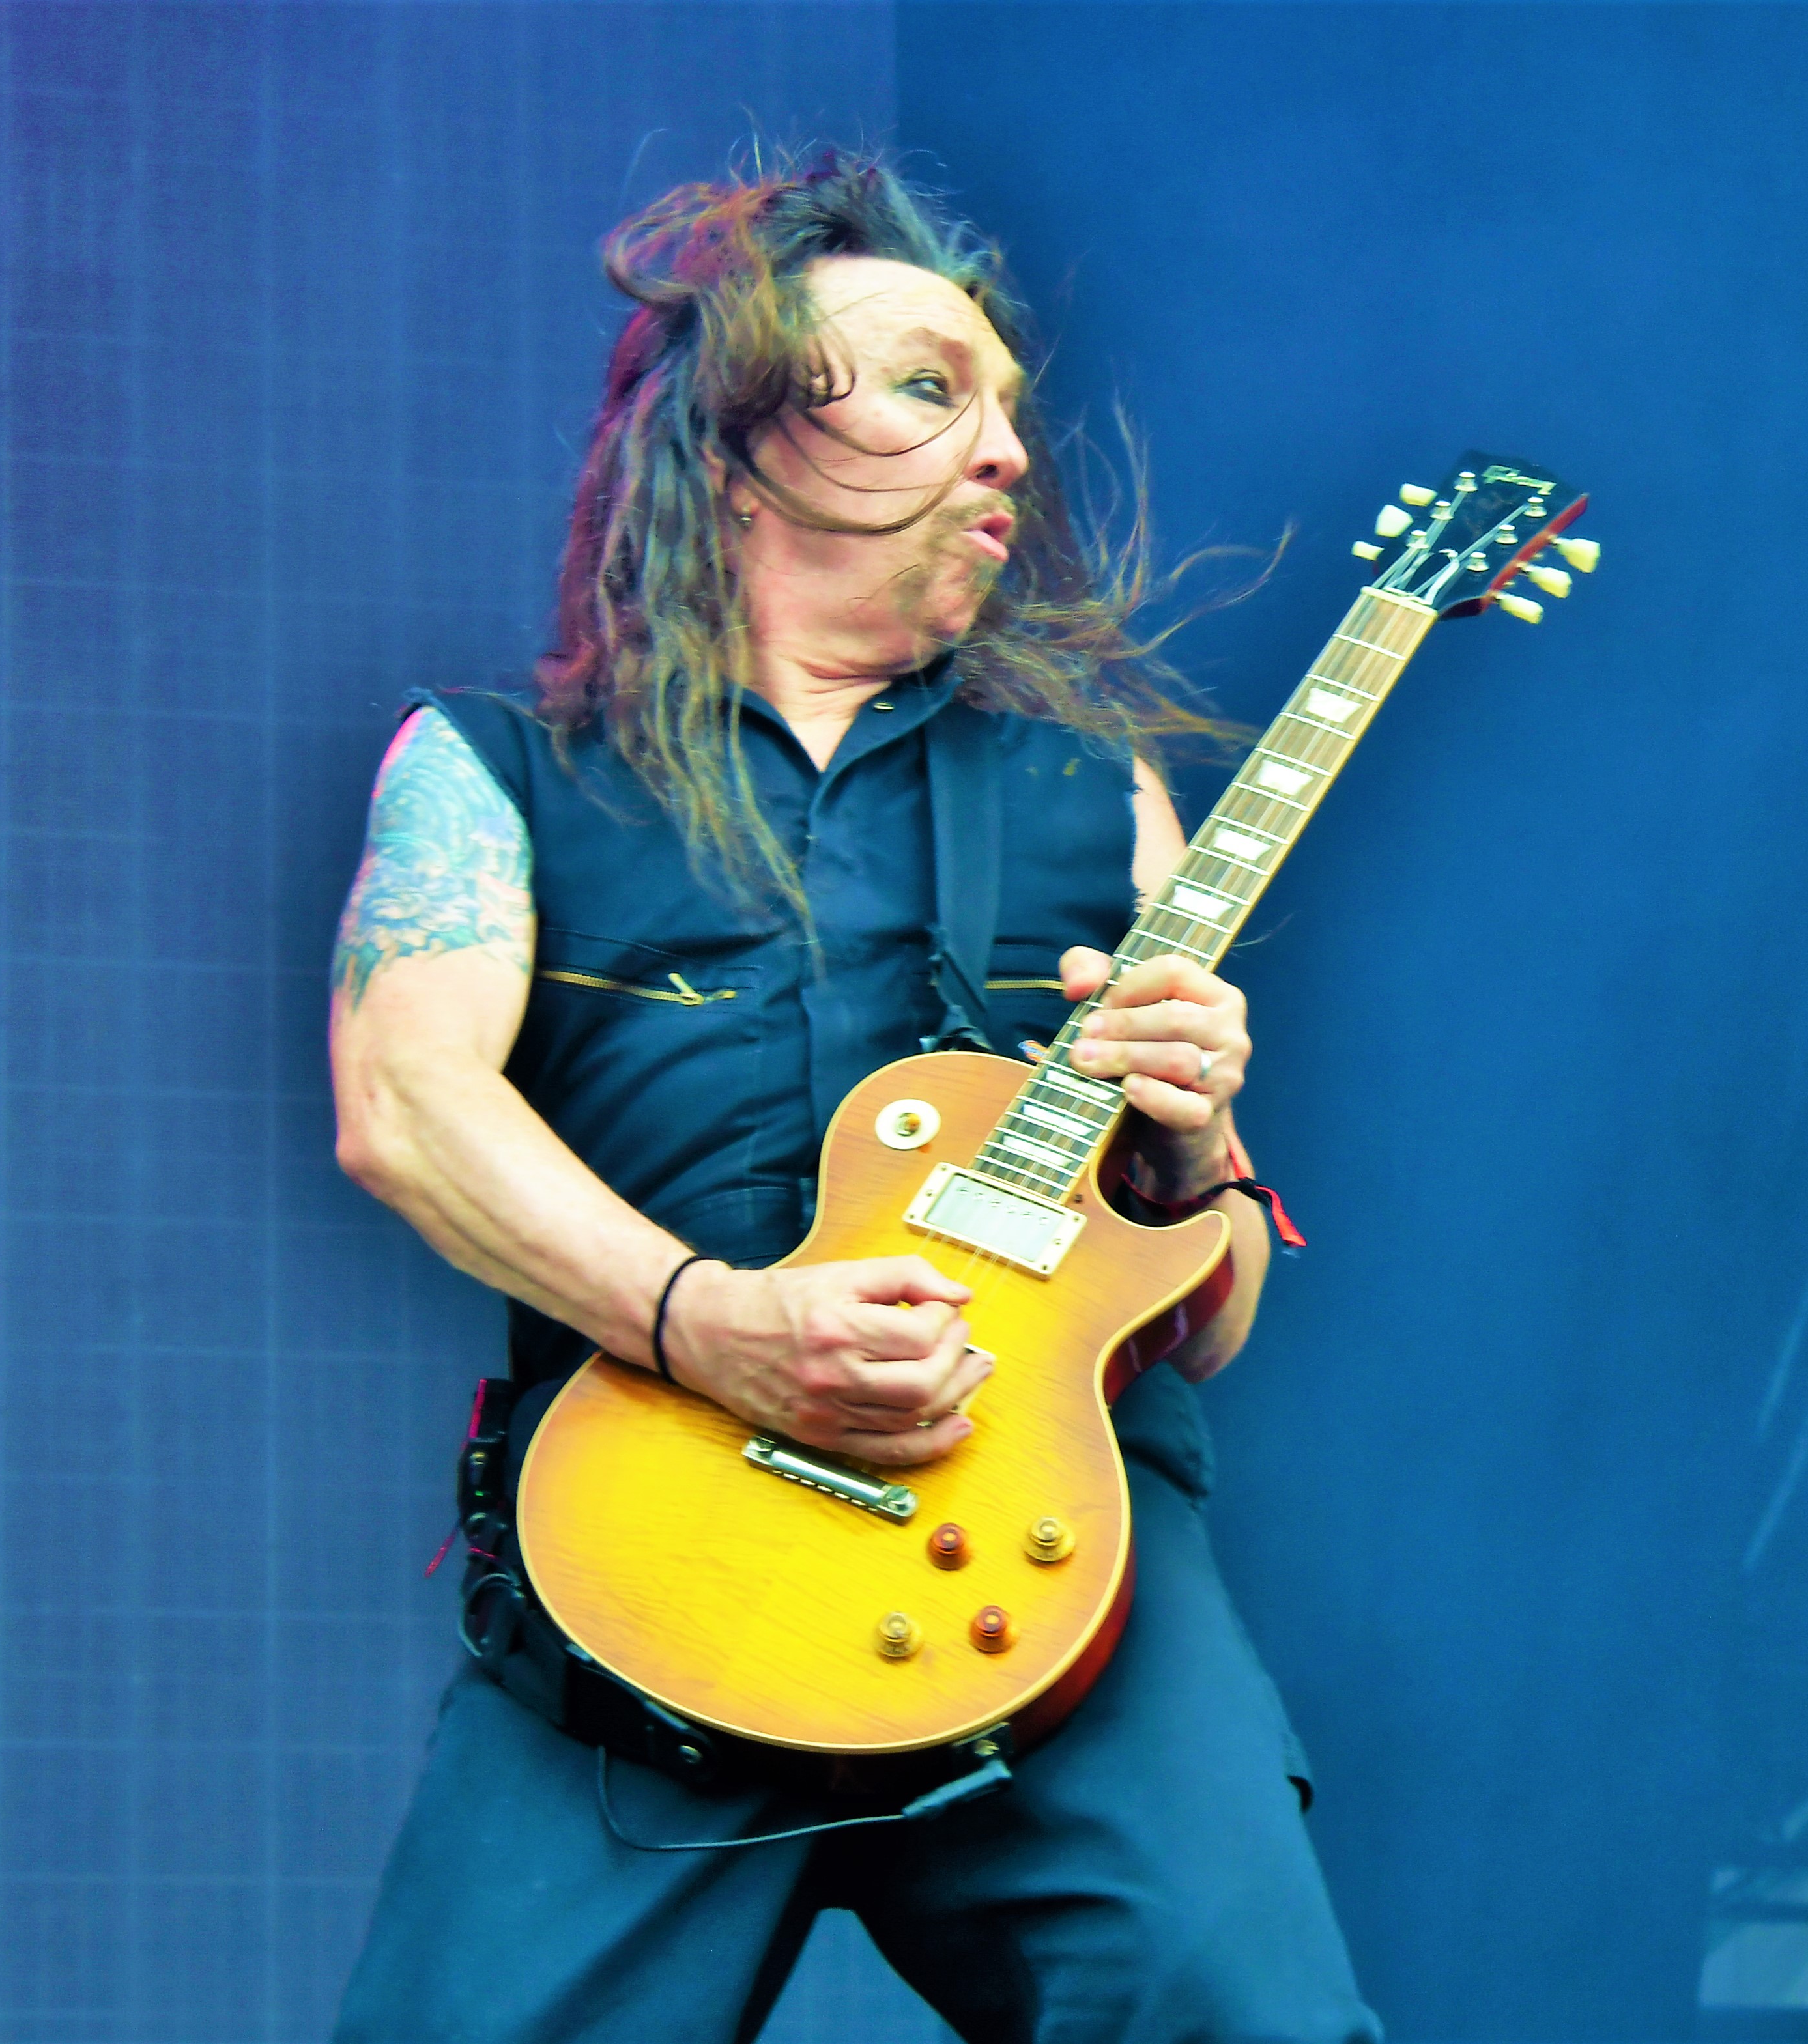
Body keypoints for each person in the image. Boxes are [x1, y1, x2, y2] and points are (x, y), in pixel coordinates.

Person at [326, 150, 1375, 2044]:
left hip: (1056, 1582)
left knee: (1248, 2012)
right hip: (649, 1560)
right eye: (925, 387)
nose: (1006, 451)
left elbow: (1210, 1318)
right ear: (735, 448)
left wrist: (1199, 1148)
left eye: (1008, 405)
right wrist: (707, 1324)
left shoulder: (1095, 792)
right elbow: (406, 1106)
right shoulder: (498, 771)